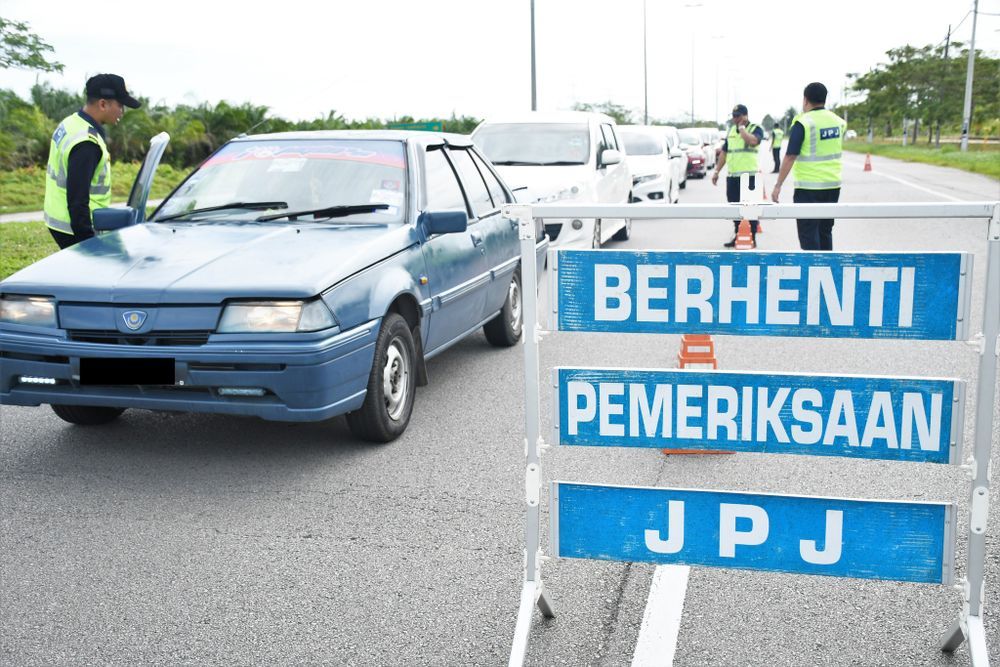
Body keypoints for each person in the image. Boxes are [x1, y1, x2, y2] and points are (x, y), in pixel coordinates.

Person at [43, 73, 140, 249]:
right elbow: (77, 199)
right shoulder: (87, 143)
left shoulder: (71, 122)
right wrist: (89, 242)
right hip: (75, 228)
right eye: (120, 105)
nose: (122, 112)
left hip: (60, 220)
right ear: (103, 104)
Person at [771, 82, 846, 251]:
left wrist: (778, 185)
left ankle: (814, 273)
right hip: (833, 186)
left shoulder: (803, 122)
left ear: (805, 100)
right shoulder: (838, 122)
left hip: (808, 188)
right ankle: (828, 269)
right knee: (825, 231)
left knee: (808, 234)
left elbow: (790, 156)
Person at [712, 104, 764, 248]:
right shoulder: (731, 131)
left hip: (750, 177)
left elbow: (753, 141)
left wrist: (742, 129)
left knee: (751, 209)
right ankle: (737, 235)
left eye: (738, 116)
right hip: (733, 177)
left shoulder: (755, 128)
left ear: (745, 115)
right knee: (735, 209)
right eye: (734, 116)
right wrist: (717, 171)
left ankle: (752, 237)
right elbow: (724, 152)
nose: (735, 119)